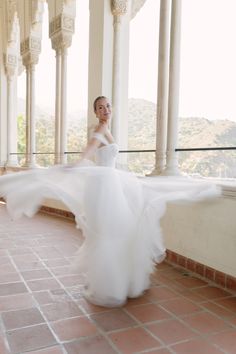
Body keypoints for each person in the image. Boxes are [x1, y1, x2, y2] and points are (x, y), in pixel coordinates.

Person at [0, 96, 221, 307]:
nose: (105, 110)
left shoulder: (107, 128)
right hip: (106, 186)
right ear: (95, 112)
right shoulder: (101, 128)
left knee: (117, 230)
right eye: (101, 107)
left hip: (112, 182)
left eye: (108, 106)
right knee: (112, 232)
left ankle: (119, 280)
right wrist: (74, 165)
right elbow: (89, 152)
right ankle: (110, 284)